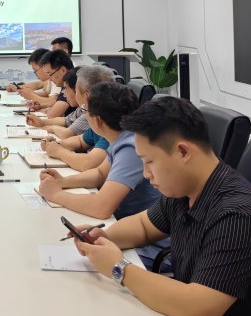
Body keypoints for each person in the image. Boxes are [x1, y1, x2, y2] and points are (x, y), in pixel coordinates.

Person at [71, 97, 251, 316]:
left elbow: (197, 309)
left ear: (183, 152)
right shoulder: (185, 188)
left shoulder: (238, 216)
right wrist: (103, 236)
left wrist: (119, 268)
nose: (146, 174)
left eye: (149, 162)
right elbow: (144, 226)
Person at [38, 81, 167, 268]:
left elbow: (101, 207)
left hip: (145, 247)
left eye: (85, 111)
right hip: (125, 231)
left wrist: (56, 195)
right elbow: (99, 174)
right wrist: (63, 181)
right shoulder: (123, 138)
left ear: (97, 121)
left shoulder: (131, 147)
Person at [37, 65, 117, 171]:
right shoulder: (99, 115)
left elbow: (87, 163)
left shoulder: (110, 124)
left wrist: (59, 152)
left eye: (76, 89)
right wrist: (55, 145)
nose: (65, 95)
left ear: (87, 96)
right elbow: (80, 140)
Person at [22, 49, 73, 118]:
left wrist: (46, 110)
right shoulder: (65, 85)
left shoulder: (72, 86)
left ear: (63, 70)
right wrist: (41, 106)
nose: (50, 79)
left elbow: (52, 114)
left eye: (50, 74)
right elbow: (56, 102)